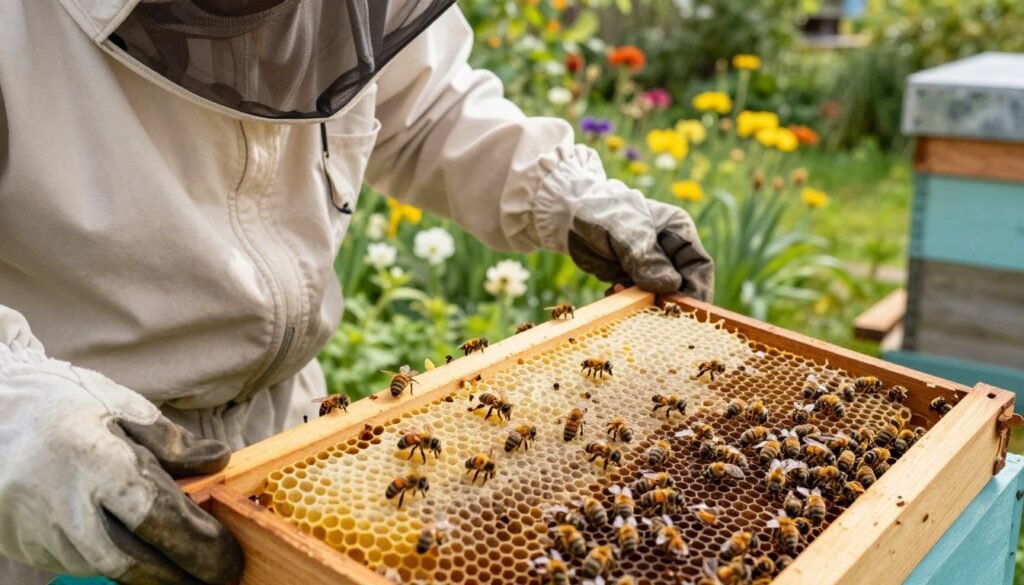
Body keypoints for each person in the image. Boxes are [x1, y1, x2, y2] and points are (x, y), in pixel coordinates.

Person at [0, 1, 714, 583]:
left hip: (291, 448)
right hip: (82, 467)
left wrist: (570, 193)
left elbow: (425, 106)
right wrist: (22, 419)